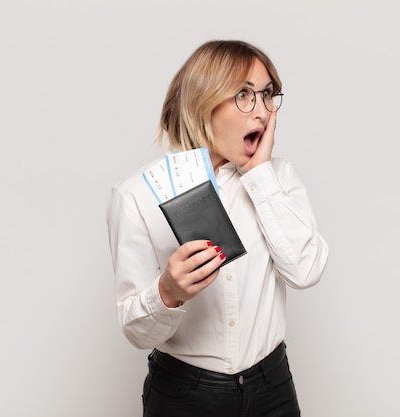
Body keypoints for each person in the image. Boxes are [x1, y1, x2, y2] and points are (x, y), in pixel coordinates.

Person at [106, 39, 329, 417]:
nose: (261, 111)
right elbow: (136, 332)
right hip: (185, 396)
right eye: (244, 94)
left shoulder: (280, 179)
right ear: (203, 100)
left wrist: (259, 175)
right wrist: (167, 292)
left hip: (272, 386)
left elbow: (305, 271)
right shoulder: (136, 196)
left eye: (268, 95)